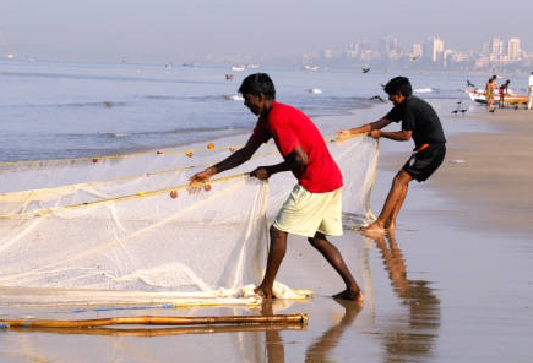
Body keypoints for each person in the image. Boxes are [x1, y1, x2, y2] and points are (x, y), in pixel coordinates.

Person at [189, 73, 362, 301]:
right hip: (331, 179)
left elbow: (300, 159)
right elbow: (246, 152)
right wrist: (211, 171)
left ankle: (266, 288)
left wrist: (269, 170)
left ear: (260, 97)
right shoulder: (268, 117)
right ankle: (353, 289)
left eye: (248, 99)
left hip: (315, 183)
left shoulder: (277, 119)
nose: (246, 104)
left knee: (278, 231)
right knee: (317, 238)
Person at [337, 76, 446, 234]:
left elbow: (406, 135)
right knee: (402, 181)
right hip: (430, 149)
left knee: (399, 181)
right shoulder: (405, 105)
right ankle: (390, 222)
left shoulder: (409, 106)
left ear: (400, 94)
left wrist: (381, 135)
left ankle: (380, 223)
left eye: (391, 95)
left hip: (430, 150)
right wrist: (350, 132)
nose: (389, 99)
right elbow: (378, 123)